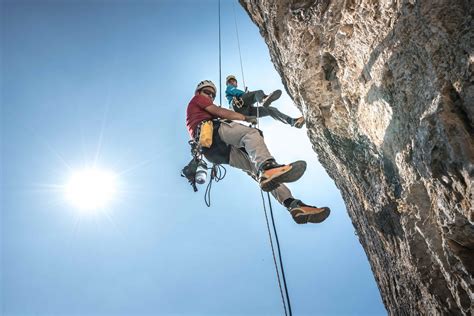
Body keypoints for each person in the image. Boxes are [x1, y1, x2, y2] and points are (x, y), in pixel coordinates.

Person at [186, 80, 330, 224]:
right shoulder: (198, 100)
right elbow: (220, 112)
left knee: (260, 172)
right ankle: (267, 167)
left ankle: (293, 205)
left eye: (213, 95)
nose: (210, 96)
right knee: (251, 135)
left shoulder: (201, 108)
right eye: (207, 92)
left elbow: (219, 113)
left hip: (213, 152)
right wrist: (245, 117)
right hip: (213, 133)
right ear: (198, 93)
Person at [225, 75, 305, 128]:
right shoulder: (229, 88)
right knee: (257, 93)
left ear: (236, 82)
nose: (232, 82)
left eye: (233, 81)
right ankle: (263, 99)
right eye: (230, 81)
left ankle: (291, 121)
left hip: (246, 112)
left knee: (271, 110)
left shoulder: (233, 89)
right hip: (237, 106)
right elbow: (237, 93)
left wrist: (249, 97)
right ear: (228, 83)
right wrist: (248, 94)